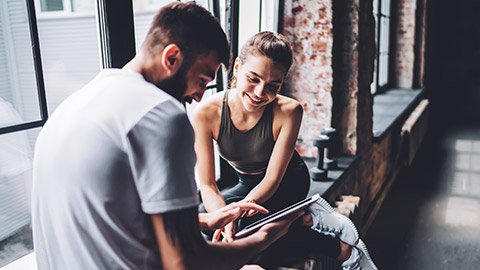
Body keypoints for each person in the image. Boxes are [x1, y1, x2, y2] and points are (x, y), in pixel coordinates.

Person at [31, 3, 303, 270]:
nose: (199, 96)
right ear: (171, 58)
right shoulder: (159, 115)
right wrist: (262, 238)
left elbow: (111, 216)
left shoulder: (72, 106)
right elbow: (185, 262)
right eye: (201, 80)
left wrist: (204, 221)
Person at [193, 31, 378, 269]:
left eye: (273, 85)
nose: (260, 92)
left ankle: (341, 250)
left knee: (256, 228)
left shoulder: (290, 111)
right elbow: (207, 184)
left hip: (286, 181)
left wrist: (237, 213)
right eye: (253, 78)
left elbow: (271, 179)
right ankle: (304, 218)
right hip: (247, 183)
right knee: (205, 221)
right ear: (237, 67)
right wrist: (223, 218)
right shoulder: (206, 113)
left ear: (283, 82)